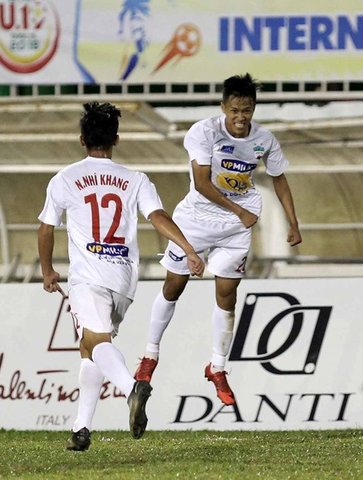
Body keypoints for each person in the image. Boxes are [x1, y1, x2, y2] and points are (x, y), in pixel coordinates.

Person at [38, 102, 205, 451]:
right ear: (116, 139)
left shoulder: (65, 178)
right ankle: (81, 429)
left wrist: (48, 270)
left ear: (82, 140)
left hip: (88, 277)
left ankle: (132, 389)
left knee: (96, 342)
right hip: (124, 281)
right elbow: (157, 216)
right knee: (89, 347)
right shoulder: (136, 179)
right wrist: (188, 249)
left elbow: (46, 228)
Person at [134, 73, 302, 406]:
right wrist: (239, 211)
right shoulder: (203, 132)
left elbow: (279, 178)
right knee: (174, 285)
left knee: (227, 294)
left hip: (236, 227)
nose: (241, 117)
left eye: (247, 110)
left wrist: (293, 223)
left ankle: (218, 367)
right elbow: (201, 183)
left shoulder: (264, 139)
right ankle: (150, 355)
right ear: (223, 107)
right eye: (235, 110)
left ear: (254, 108)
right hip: (196, 220)